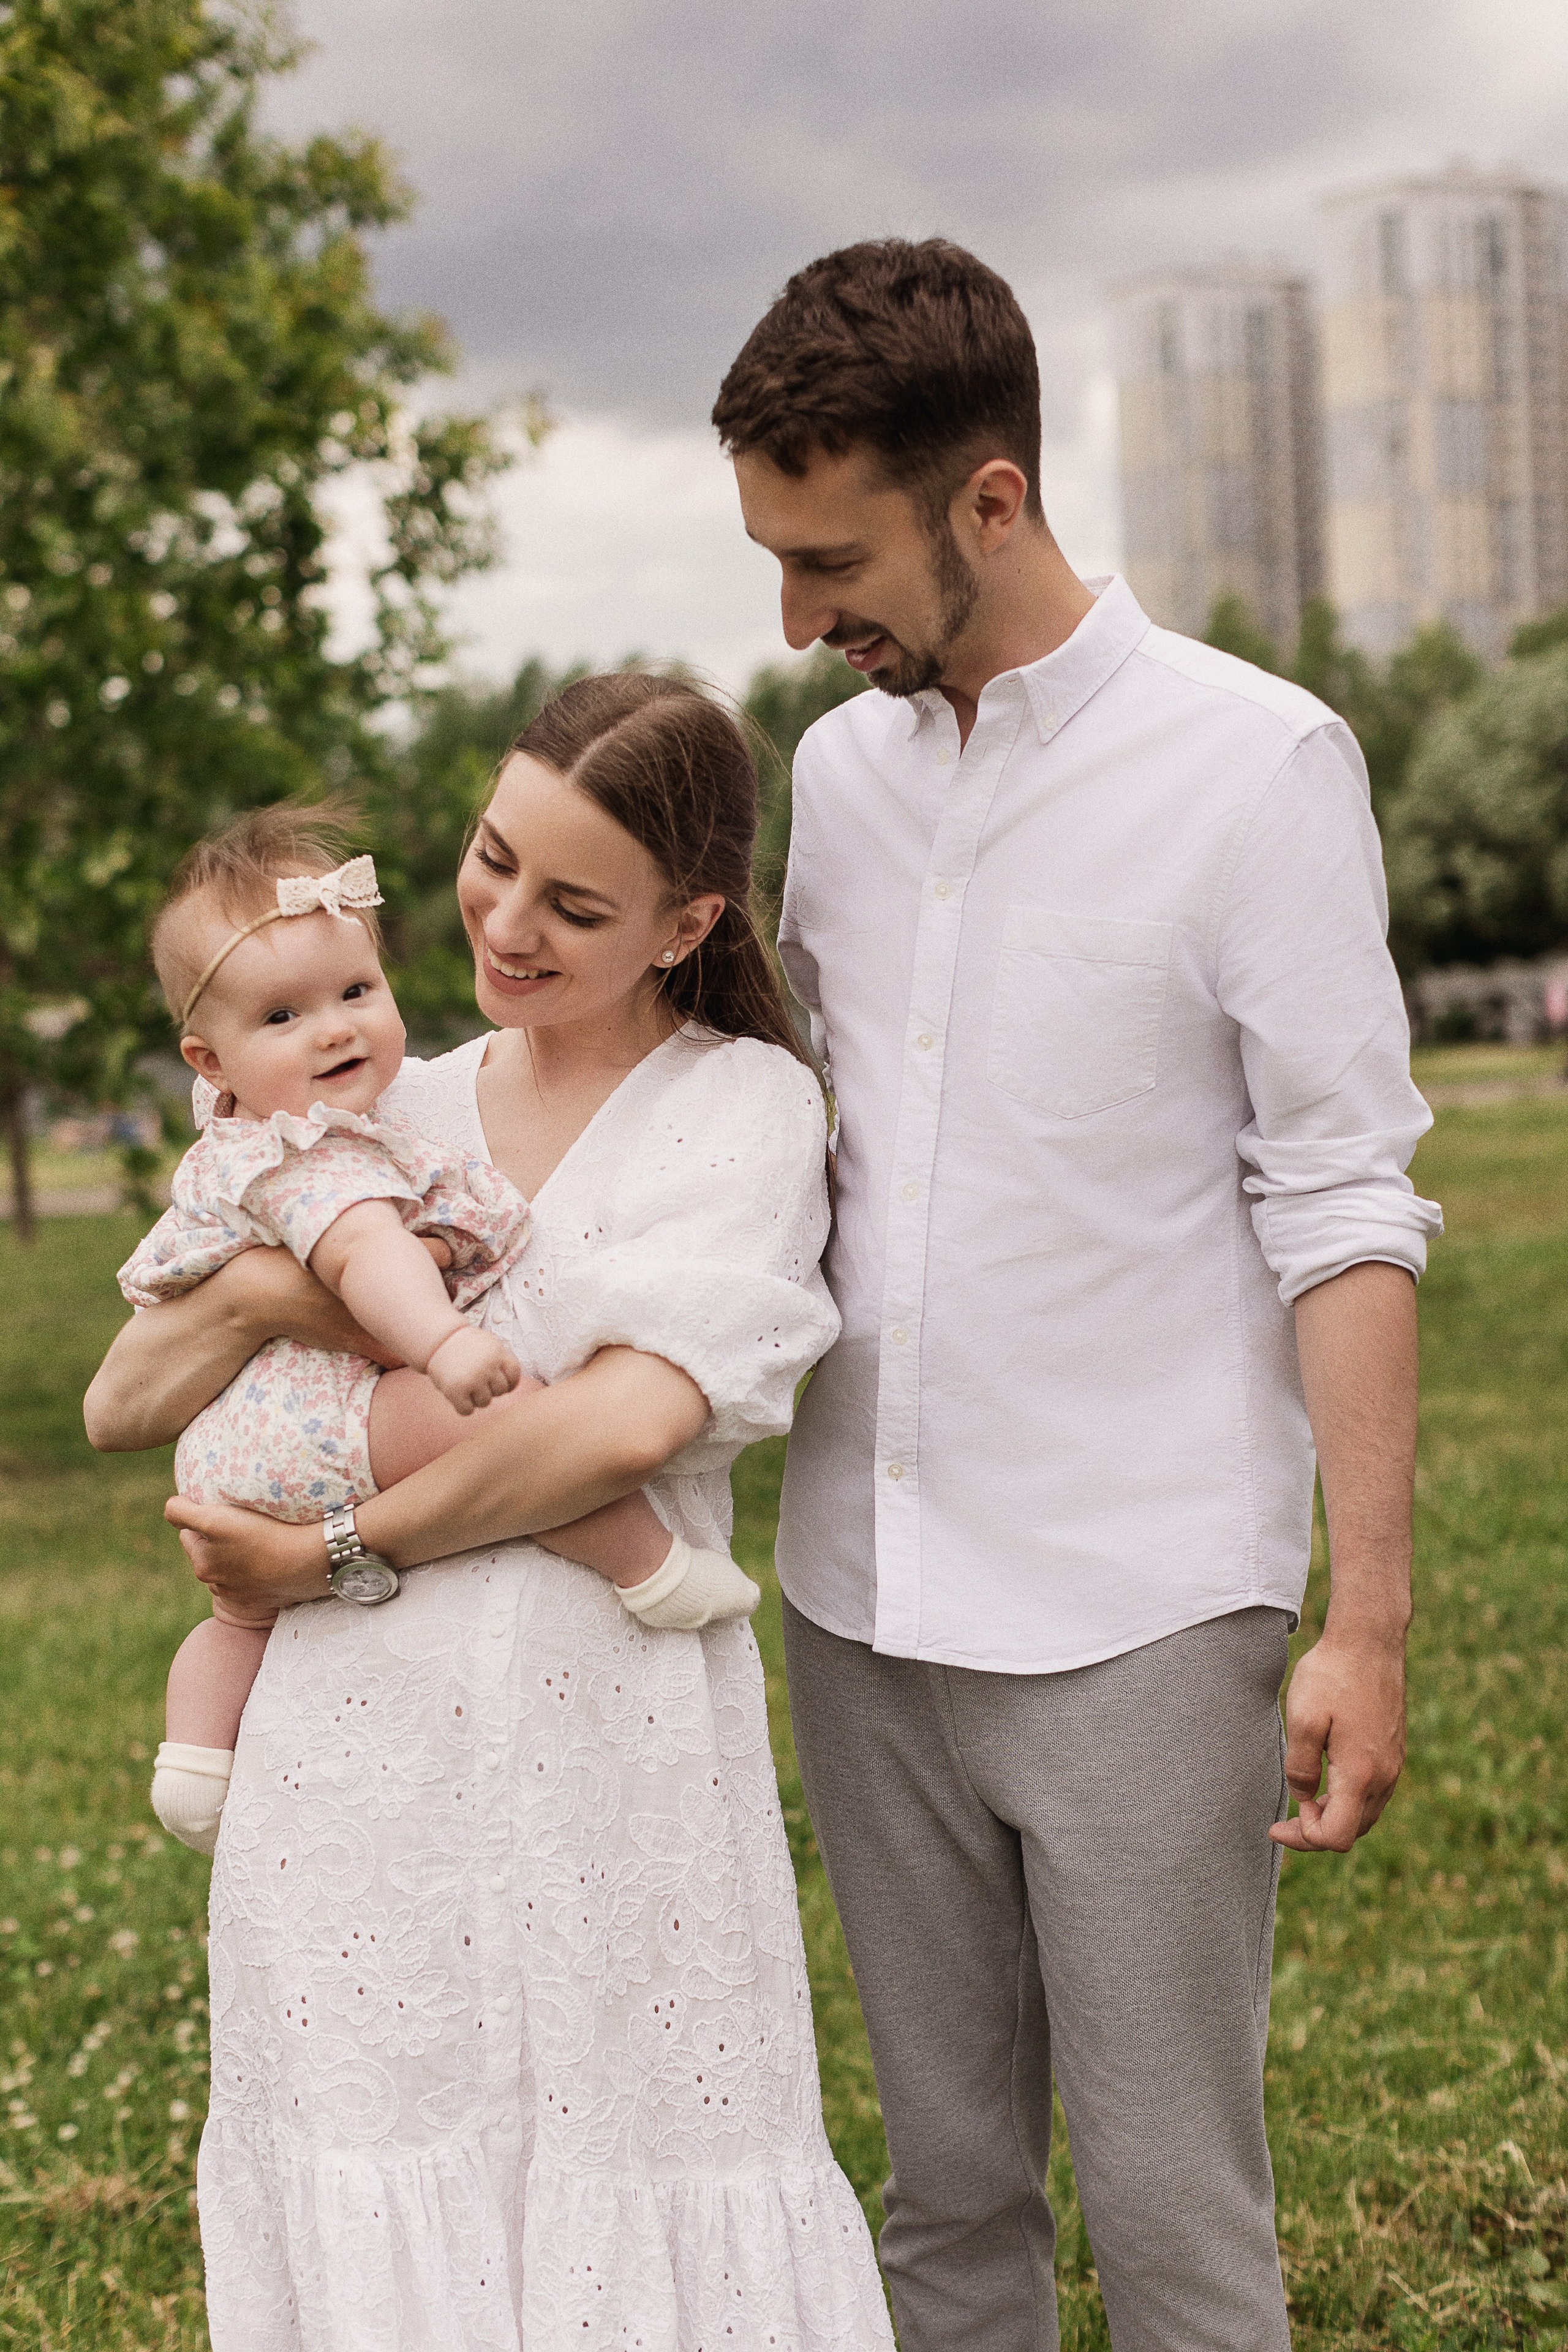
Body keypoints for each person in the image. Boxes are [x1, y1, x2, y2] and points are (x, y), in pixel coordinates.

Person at [712, 238, 1442, 2352]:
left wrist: (1368, 1622)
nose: (795, 617)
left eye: (830, 557)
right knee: (946, 2200)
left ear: (994, 502)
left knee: (1169, 2210)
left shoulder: (1259, 764)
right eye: (769, 558)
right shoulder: (838, 782)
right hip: (861, 1601)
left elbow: (1345, 1207)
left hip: (1138, 1608)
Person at [85, 675, 895, 2352]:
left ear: (688, 922)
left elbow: (621, 1428)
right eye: (490, 859)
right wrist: (264, 1294)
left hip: (607, 1750)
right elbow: (126, 1400)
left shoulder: (747, 1110)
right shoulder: (385, 1096)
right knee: (385, 2141)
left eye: (575, 904)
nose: (506, 924)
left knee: (635, 2147)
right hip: (358, 1763)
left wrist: (327, 1548)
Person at [127, 807, 758, 1856]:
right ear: (210, 1058)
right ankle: (649, 1565)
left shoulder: (314, 1128)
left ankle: (193, 1755)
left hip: (240, 1443)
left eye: (354, 993)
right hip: (313, 1417)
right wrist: (443, 1346)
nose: (334, 1028)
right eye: (282, 1018)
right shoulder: (308, 1153)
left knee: (238, 1619)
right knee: (508, 1422)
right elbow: (366, 1257)